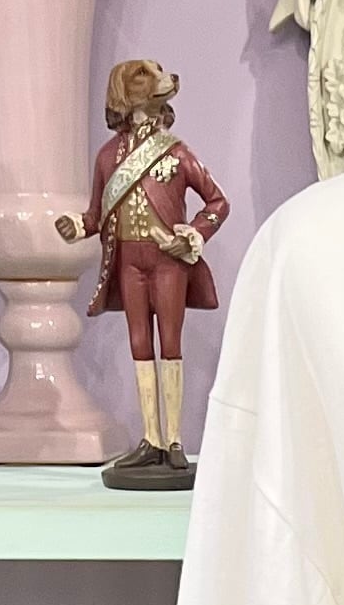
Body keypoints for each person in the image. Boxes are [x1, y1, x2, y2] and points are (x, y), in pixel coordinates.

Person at [63, 57, 228, 489]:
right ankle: (151, 438)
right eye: (145, 74)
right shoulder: (107, 157)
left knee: (170, 343)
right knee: (139, 344)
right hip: (128, 262)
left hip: (167, 261)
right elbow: (96, 214)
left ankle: (173, 440)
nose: (160, 78)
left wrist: (192, 234)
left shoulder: (177, 152)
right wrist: (77, 226)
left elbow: (217, 202)